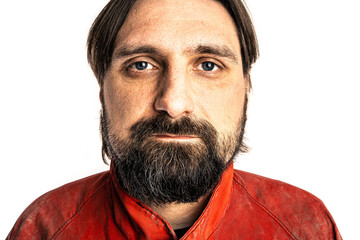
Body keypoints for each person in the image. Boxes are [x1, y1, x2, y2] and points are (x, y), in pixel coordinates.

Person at [7, 0, 342, 239]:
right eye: (141, 65)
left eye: (208, 65)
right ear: (102, 88)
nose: (174, 102)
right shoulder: (44, 228)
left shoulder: (305, 226)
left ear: (246, 88)